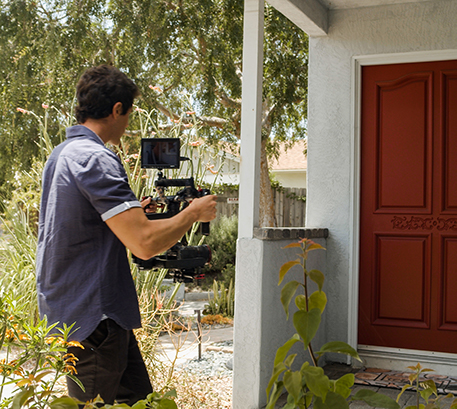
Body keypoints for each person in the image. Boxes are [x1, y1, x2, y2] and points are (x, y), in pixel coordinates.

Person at [35, 65, 217, 406]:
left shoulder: (62, 155)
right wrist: (193, 213)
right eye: (129, 113)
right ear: (117, 109)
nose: (129, 123)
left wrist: (136, 214)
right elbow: (144, 244)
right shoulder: (96, 158)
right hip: (95, 318)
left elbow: (81, 225)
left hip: (81, 311)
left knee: (138, 401)